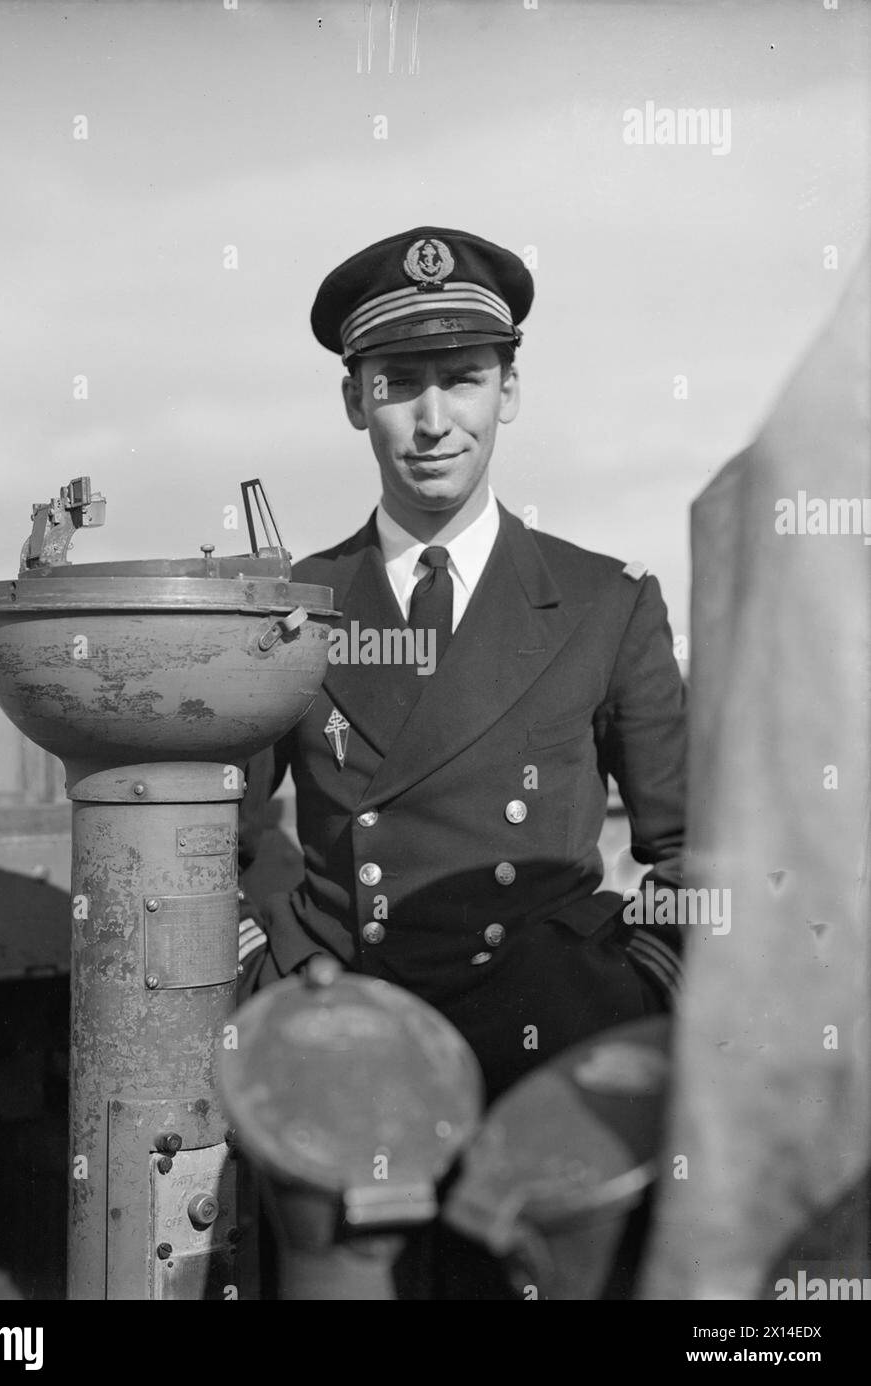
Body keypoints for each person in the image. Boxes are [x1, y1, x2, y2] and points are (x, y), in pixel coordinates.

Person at [237, 224, 686, 1107]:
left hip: (551, 1042)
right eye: (399, 385)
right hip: (342, 1034)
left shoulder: (607, 603)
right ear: (354, 400)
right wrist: (278, 963)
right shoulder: (288, 609)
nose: (433, 422)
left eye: (463, 381)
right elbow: (222, 829)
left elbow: (690, 851)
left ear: (507, 391)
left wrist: (631, 982)